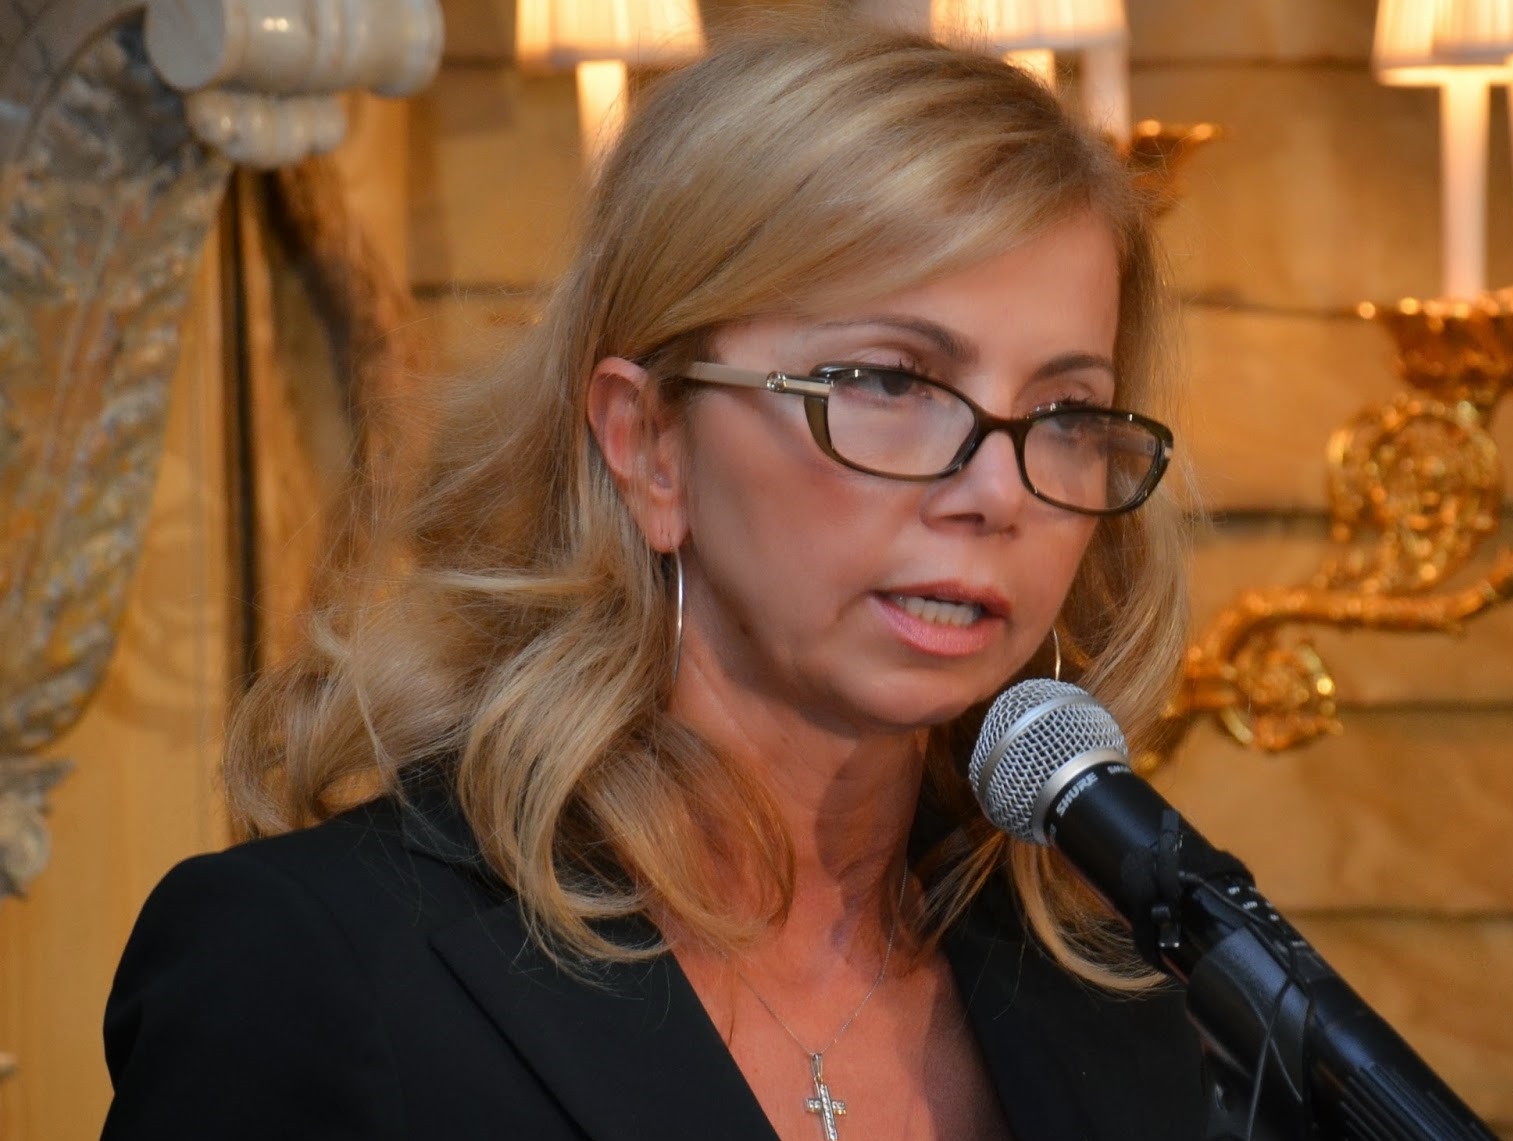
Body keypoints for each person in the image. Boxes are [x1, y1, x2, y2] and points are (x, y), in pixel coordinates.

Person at [101, 16, 1204, 1141]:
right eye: (888, 381)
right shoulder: (309, 963)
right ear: (647, 443)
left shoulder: (1128, 984)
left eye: (1064, 411)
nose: (1000, 491)